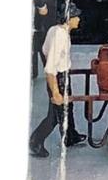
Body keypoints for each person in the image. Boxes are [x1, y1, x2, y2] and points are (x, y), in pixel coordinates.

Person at [29, 8, 84, 157]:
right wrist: (55, 92)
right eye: (76, 17)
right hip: (57, 78)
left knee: (68, 107)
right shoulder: (59, 36)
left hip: (63, 75)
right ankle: (35, 142)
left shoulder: (56, 30)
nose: (78, 20)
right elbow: (50, 69)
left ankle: (70, 137)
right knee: (54, 115)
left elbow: (44, 49)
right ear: (68, 18)